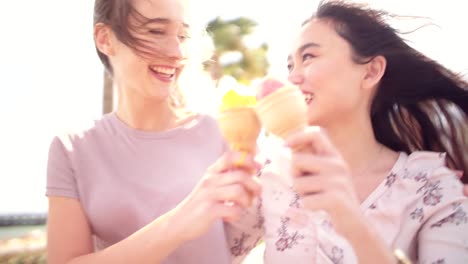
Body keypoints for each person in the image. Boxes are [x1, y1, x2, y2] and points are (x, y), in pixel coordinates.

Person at [226, 1, 468, 263]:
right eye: (289, 66)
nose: (293, 78)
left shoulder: (431, 187)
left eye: (308, 57)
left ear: (371, 72)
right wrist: (205, 202)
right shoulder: (272, 174)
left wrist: (349, 219)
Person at [45, 0, 262, 263]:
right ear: (105, 39)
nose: (176, 51)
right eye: (156, 31)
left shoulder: (223, 134)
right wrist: (179, 222)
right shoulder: (72, 149)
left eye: (183, 35)